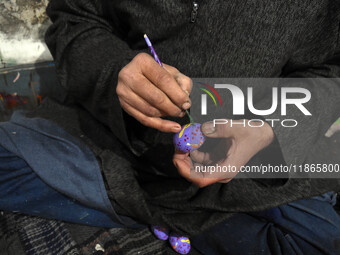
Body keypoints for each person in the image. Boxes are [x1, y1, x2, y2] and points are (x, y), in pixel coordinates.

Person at [0, 0, 340, 254]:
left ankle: (169, 218)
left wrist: (268, 131)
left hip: (249, 171)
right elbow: (72, 19)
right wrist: (114, 70)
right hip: (111, 148)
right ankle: (169, 217)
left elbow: (331, 76)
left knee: (323, 239)